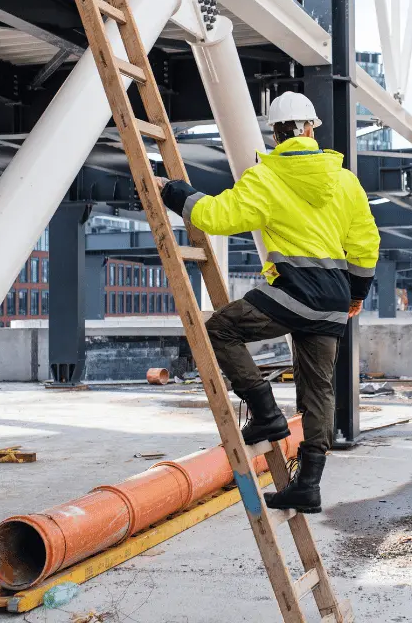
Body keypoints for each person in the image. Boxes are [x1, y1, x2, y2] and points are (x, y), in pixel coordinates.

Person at [157, 91, 380, 513]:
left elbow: (218, 217)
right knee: (319, 392)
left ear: (276, 134)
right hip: (334, 298)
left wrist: (174, 193)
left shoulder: (268, 178)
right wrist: (356, 293)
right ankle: (308, 484)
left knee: (221, 328)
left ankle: (264, 412)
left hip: (295, 291)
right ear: (312, 129)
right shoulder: (345, 180)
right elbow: (366, 242)